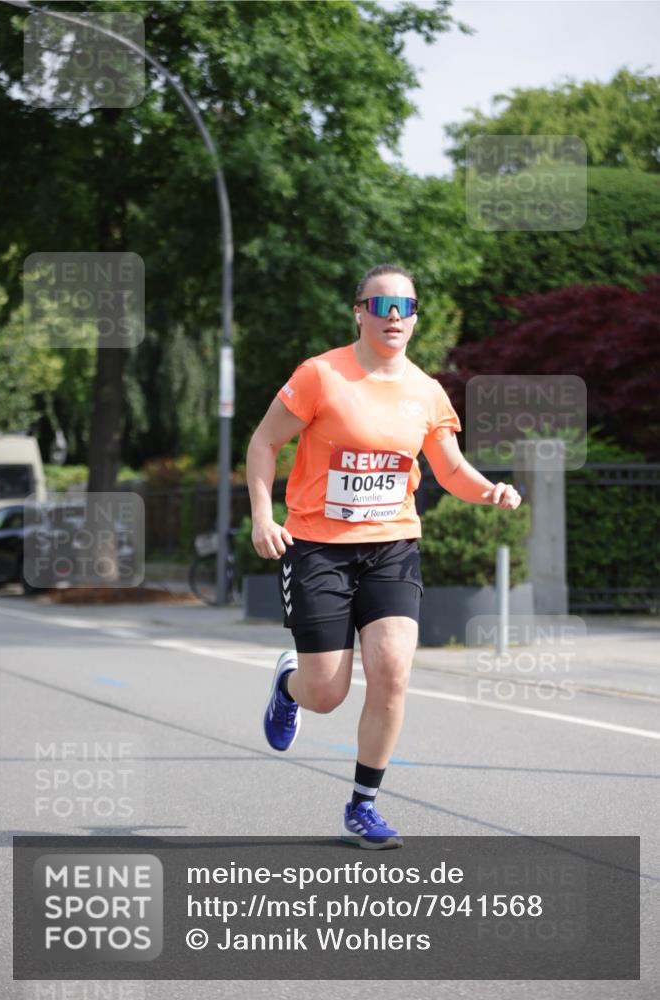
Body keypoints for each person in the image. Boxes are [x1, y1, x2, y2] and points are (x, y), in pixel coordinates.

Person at [246, 263, 522, 850]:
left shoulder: (426, 391)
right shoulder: (321, 375)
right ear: (359, 313)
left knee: (393, 671)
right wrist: (263, 517)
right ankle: (290, 684)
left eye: (405, 306)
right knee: (327, 694)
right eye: (380, 305)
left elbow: (450, 470)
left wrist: (490, 490)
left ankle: (363, 805)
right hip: (318, 547)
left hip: (392, 546)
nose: (393, 316)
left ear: (415, 318)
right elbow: (264, 442)